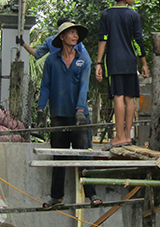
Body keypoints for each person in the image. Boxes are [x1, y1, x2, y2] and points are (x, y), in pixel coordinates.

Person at [37, 21, 101, 209]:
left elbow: (84, 87)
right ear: (62, 37)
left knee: (84, 156)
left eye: (76, 33)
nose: (75, 36)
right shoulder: (51, 60)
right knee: (59, 157)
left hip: (79, 116)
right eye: (71, 33)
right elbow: (46, 86)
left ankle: (92, 194)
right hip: (58, 115)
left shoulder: (84, 60)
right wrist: (41, 110)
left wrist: (80, 110)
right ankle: (57, 197)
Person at [95, 0, 150, 150]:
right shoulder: (133, 15)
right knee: (130, 98)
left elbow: (103, 40)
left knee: (118, 96)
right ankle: (126, 135)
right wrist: (144, 64)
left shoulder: (106, 14)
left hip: (114, 61)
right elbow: (137, 41)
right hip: (130, 62)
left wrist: (99, 62)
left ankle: (118, 136)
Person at [16, 16, 86, 59]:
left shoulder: (76, 42)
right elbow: (37, 54)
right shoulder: (50, 41)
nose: (74, 35)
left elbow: (85, 58)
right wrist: (23, 44)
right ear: (59, 28)